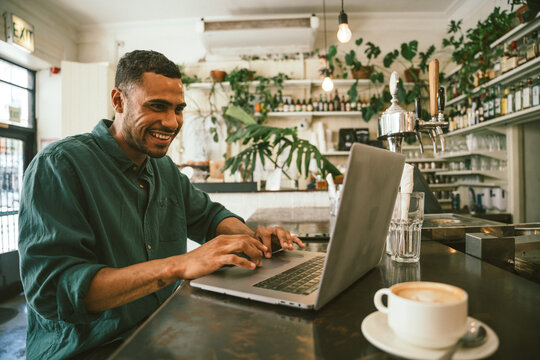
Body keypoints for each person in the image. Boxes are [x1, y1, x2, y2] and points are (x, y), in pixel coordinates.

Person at [18, 50, 305, 360]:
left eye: (178, 109)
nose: (171, 122)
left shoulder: (164, 169)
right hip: (89, 349)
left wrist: (251, 237)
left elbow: (210, 217)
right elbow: (53, 291)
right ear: (118, 101)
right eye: (157, 106)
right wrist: (178, 265)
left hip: (163, 331)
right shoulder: (60, 165)